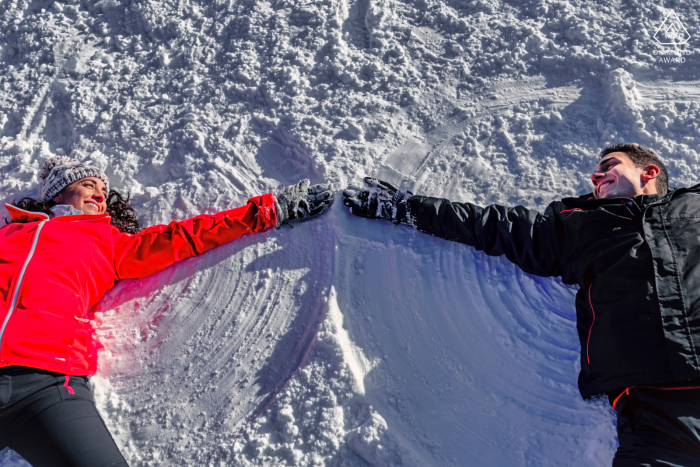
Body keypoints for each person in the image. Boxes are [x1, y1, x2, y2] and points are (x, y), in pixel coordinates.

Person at [343, 143, 700, 466]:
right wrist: (404, 207)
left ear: (648, 172)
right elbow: (489, 226)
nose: (595, 176)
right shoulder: (579, 225)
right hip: (655, 405)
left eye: (609, 165)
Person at [0, 156, 334, 467]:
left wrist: (266, 211)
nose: (100, 195)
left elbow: (182, 238)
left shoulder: (108, 241)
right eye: (89, 185)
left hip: (48, 384)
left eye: (104, 191)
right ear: (58, 191)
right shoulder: (8, 233)